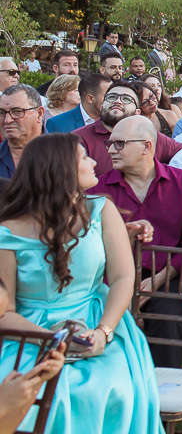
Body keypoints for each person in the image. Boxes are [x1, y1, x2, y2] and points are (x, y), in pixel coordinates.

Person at [0, 133, 162, 433]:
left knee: (108, 388)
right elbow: (4, 310)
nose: (93, 162)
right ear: (60, 169)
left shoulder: (101, 209)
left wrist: (103, 332)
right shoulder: (7, 230)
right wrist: (53, 339)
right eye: (84, 157)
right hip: (29, 331)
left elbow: (123, 277)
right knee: (40, 393)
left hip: (98, 317)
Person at [96, 115, 182, 368]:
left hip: (170, 277)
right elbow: (92, 247)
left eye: (119, 144)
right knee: (108, 314)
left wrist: (157, 280)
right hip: (111, 279)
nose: (110, 150)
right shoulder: (98, 189)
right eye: (110, 143)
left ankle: (165, 395)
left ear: (147, 146)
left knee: (166, 316)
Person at [75, 80, 182, 176]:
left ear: (137, 112)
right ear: (102, 106)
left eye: (126, 99)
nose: (117, 101)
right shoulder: (79, 138)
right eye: (112, 97)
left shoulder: (150, 136)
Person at [0, 85, 46, 179]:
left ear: (39, 113)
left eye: (17, 112)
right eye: (1, 113)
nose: (7, 120)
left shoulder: (65, 155)